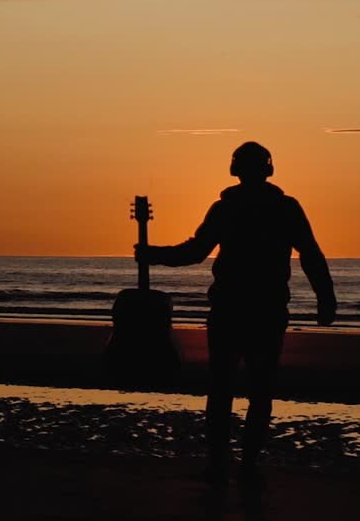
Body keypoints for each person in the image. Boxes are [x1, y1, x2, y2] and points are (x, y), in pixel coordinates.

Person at [136, 141, 336, 484]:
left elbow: (196, 252)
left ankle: (219, 459)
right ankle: (247, 462)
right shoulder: (285, 208)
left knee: (222, 386)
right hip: (267, 309)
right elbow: (311, 255)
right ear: (268, 168)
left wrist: (153, 255)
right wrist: (325, 297)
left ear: (235, 170)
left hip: (231, 308)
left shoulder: (227, 208)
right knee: (260, 388)